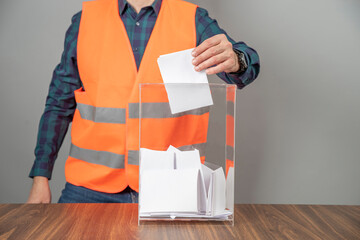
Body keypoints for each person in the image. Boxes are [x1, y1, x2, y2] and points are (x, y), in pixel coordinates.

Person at [27, 0, 260, 203]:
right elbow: (59, 103)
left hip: (173, 184)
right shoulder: (85, 21)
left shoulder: (193, 19)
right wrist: (41, 177)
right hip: (90, 189)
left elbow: (244, 61)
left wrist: (238, 60)